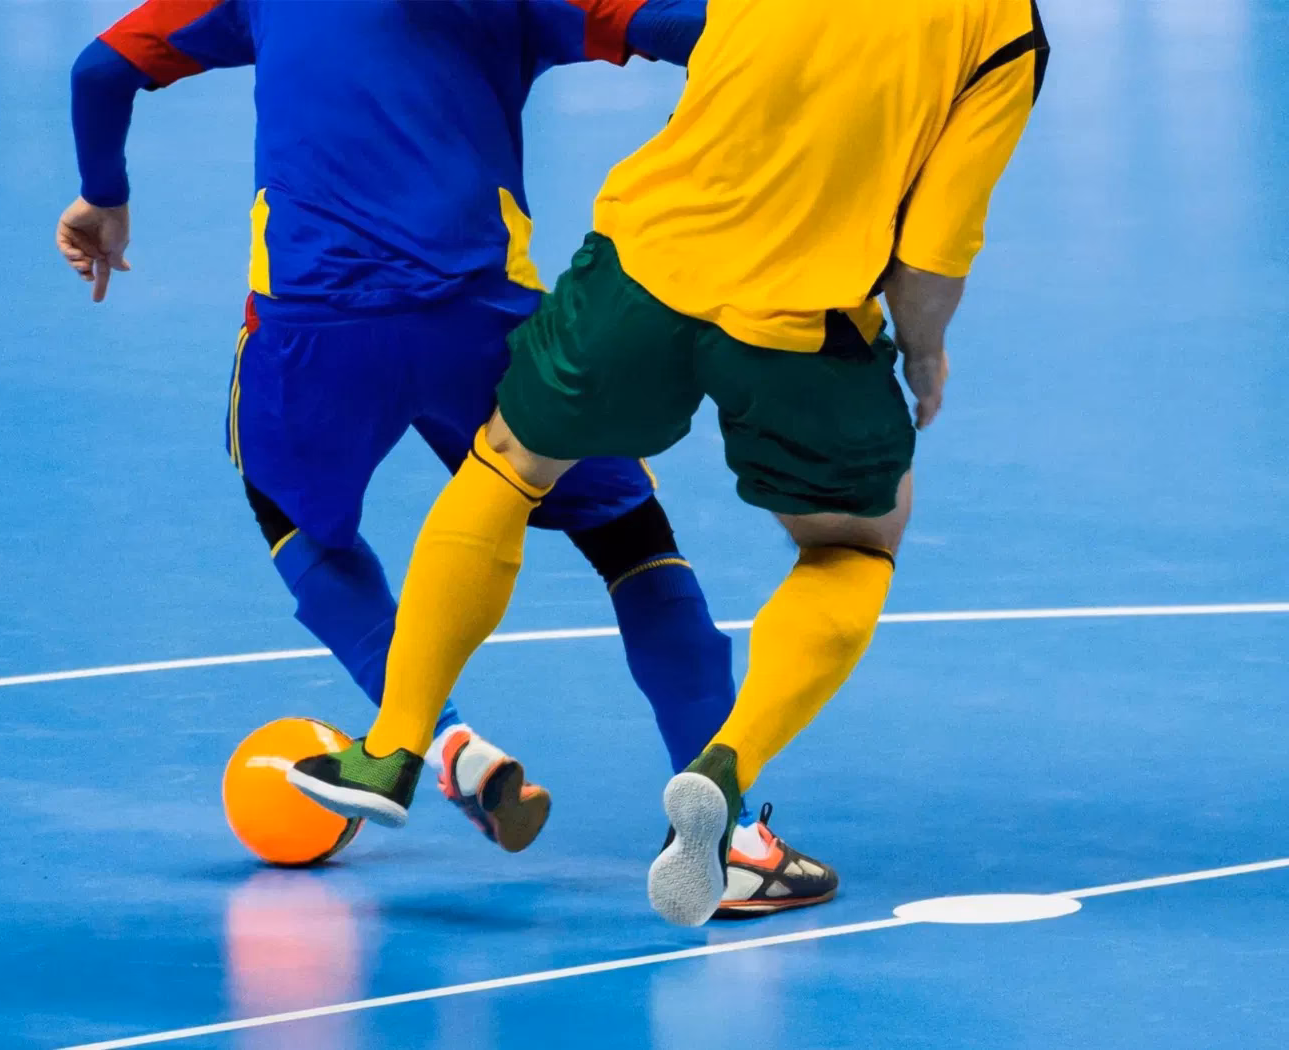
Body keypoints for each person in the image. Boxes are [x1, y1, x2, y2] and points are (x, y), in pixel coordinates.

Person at [58, 0, 839, 918]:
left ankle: (435, 743)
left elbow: (100, 71)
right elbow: (698, 30)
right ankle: (732, 838)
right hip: (485, 324)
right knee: (632, 538)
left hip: (315, 334)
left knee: (293, 515)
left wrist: (104, 195)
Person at [290, 0, 1050, 926]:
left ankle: (393, 744)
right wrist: (923, 352)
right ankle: (722, 780)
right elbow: (933, 252)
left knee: (505, 465)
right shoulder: (1004, 29)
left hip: (641, 272)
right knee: (854, 544)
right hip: (799, 323)